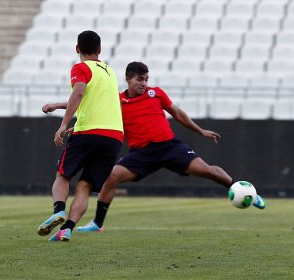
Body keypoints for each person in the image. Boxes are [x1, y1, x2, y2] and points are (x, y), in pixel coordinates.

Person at [43, 62, 266, 237]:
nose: (144, 83)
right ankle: (97, 224)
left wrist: (200, 131)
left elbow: (178, 113)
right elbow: (87, 106)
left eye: (146, 79)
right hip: (141, 154)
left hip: (169, 147)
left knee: (206, 170)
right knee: (110, 177)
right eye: (140, 79)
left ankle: (247, 192)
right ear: (128, 79)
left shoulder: (156, 93)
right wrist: (58, 108)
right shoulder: (117, 100)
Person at [36, 30, 123, 241]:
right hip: (114, 136)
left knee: (63, 174)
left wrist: (64, 124)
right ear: (100, 50)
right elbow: (93, 101)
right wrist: (57, 105)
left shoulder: (81, 67)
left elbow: (79, 93)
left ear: (77, 49)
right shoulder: (109, 72)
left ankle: (58, 211)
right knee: (85, 185)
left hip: (89, 132)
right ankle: (66, 230)